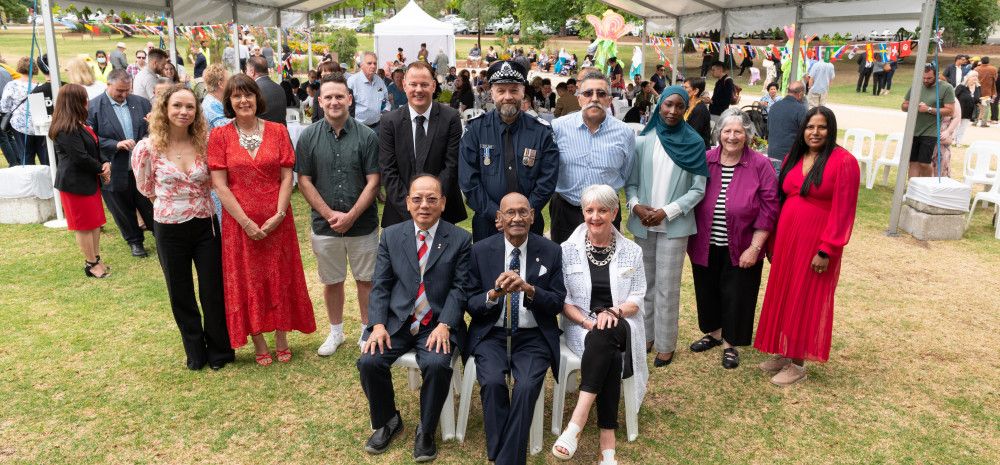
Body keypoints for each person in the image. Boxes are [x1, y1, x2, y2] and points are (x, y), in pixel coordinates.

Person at [357, 175, 472, 462]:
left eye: (432, 199)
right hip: (397, 321)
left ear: (443, 203)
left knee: (436, 363)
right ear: (407, 203)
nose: (424, 205)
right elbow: (381, 285)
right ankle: (388, 420)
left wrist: (445, 324)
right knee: (369, 361)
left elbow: (460, 289)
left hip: (437, 322)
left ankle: (426, 429)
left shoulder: (459, 239)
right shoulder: (392, 236)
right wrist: (379, 325)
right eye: (417, 199)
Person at [207, 74, 316, 365]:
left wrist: (279, 214)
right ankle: (257, 340)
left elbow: (286, 176)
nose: (243, 101)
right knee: (248, 278)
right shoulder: (219, 136)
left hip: (278, 219)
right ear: (228, 102)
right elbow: (219, 185)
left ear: (257, 98)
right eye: (236, 96)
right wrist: (245, 222)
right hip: (239, 222)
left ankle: (281, 337)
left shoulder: (279, 131)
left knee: (278, 274)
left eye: (249, 95)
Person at [754, 106, 860, 386]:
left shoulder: (844, 162)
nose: (815, 132)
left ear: (831, 129)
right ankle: (783, 350)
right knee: (785, 291)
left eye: (822, 127)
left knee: (806, 295)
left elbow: (844, 211)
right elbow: (781, 199)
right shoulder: (794, 156)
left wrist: (827, 249)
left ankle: (798, 363)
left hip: (817, 241)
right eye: (810, 127)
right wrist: (773, 242)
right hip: (788, 237)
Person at [131, 84, 234, 371]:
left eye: (190, 107)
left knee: (212, 289)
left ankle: (219, 350)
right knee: (180, 291)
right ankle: (195, 351)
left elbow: (218, 181)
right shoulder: (148, 148)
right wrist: (171, 204)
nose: (183, 112)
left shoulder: (206, 142)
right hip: (168, 226)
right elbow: (145, 187)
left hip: (205, 224)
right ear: (164, 108)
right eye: (177, 105)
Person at [466, 192, 566, 465]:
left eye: (523, 212)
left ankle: (503, 460)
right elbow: (471, 303)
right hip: (492, 334)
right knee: (493, 383)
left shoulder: (551, 251)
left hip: (533, 335)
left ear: (533, 216)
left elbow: (557, 302)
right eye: (510, 213)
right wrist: (493, 295)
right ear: (499, 219)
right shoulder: (480, 251)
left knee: (526, 388)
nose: (517, 218)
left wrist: (529, 289)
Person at [551, 184, 647, 465]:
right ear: (582, 212)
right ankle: (608, 445)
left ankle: (575, 425)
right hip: (580, 326)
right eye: (589, 210)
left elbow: (637, 296)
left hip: (623, 322)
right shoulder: (567, 249)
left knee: (605, 332)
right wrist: (586, 321)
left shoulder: (632, 250)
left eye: (603, 210)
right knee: (606, 348)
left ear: (614, 213)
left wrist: (613, 312)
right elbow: (564, 301)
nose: (595, 216)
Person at [295, 74, 381, 356]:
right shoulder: (308, 136)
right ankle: (336, 332)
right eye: (328, 97)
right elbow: (304, 180)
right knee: (332, 281)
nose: (334, 101)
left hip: (362, 224)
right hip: (325, 225)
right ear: (319, 101)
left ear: (349, 99)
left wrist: (352, 215)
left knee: (366, 280)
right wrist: (330, 213)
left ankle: (367, 331)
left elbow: (374, 181)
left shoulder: (367, 136)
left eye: (339, 96)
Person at [687, 108, 778, 369]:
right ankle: (715, 333)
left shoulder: (760, 165)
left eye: (739, 131)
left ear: (748, 135)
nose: (732, 136)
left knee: (737, 293)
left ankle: (730, 343)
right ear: (719, 133)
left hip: (743, 245)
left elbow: (769, 207)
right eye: (727, 130)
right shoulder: (705, 159)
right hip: (704, 242)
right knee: (707, 290)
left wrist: (755, 247)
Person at [625, 86, 708, 367]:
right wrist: (636, 205)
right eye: (667, 105)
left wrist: (666, 212)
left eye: (678, 106)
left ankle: (665, 343)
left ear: (685, 109)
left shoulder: (694, 142)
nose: (672, 111)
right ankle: (646, 335)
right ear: (659, 106)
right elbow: (631, 182)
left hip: (674, 224)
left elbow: (698, 190)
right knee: (644, 284)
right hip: (644, 222)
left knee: (667, 287)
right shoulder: (643, 140)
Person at [459, 60, 560, 241]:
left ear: (523, 92)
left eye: (514, 90)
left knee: (529, 269)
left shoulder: (541, 132)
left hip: (529, 223)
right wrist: (496, 214)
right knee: (488, 269)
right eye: (501, 90)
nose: (508, 96)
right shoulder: (475, 130)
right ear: (492, 93)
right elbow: (468, 180)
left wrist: (524, 214)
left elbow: (548, 179)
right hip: (487, 223)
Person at [550, 70, 635, 244]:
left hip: (606, 213)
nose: (594, 98)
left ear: (609, 100)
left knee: (605, 266)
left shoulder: (625, 133)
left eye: (601, 93)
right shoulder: (558, 127)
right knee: (562, 264)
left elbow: (626, 172)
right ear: (579, 98)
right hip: (566, 209)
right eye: (588, 93)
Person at [379, 61, 466, 227]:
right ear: (404, 85)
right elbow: (388, 169)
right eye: (413, 84)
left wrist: (432, 205)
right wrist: (411, 208)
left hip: (442, 212)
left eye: (424, 84)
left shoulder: (451, 118)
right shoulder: (389, 121)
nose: (418, 90)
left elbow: (451, 166)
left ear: (433, 86)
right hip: (400, 213)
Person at [88, 69, 154, 257]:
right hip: (114, 166)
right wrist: (115, 144)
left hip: (142, 166)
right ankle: (135, 241)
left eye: (127, 90)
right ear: (108, 85)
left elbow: (154, 128)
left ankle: (159, 233)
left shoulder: (140, 103)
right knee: (121, 207)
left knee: (148, 203)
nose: (124, 95)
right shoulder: (94, 108)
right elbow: (92, 138)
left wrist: (146, 139)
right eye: (119, 91)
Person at [50, 84, 112, 279]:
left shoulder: (79, 124)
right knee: (84, 225)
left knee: (94, 223)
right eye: (84, 98)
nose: (87, 102)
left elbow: (93, 148)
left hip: (88, 181)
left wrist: (104, 163)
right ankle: (91, 263)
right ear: (75, 102)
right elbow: (80, 157)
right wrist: (101, 169)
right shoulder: (65, 128)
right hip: (75, 184)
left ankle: (96, 257)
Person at [902, 65, 955, 178]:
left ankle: (926, 187)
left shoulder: (946, 88)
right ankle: (911, 190)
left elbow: (950, 111)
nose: (925, 80)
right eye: (924, 78)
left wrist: (929, 109)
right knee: (913, 162)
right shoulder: (916, 86)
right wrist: (913, 106)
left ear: (936, 75)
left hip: (930, 131)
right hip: (913, 129)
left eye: (929, 78)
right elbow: (903, 106)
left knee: (924, 163)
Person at [0, 57, 37, 164]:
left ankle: (14, 163)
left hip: (16, 121)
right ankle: (17, 161)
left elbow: (4, 105)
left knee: (4, 139)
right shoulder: (5, 70)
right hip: (33, 123)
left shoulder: (10, 83)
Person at [766, 81, 808, 170]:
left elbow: (769, 128)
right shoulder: (801, 109)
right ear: (800, 94)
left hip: (772, 154)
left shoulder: (774, 106)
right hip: (789, 158)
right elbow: (805, 134)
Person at [348, 52, 388, 131]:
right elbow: (346, 106)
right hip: (358, 128)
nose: (373, 66)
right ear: (361, 65)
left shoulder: (379, 81)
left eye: (375, 63)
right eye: (369, 63)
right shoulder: (352, 82)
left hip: (378, 126)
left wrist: (385, 111)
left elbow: (386, 100)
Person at [244, 56, 285, 125]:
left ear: (252, 72)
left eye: (246, 71)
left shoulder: (252, 90)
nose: (246, 74)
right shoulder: (280, 88)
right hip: (281, 133)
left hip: (262, 133)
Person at [681, 77, 711, 148]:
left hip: (697, 150)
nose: (682, 90)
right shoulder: (690, 106)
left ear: (696, 91)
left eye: (686, 87)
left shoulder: (699, 110)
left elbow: (692, 135)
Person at [201, 64, 230, 129]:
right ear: (220, 84)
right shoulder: (212, 106)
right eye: (229, 81)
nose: (231, 84)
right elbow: (228, 131)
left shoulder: (214, 100)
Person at [954, 73, 977, 147]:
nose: (975, 78)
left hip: (969, 111)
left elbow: (977, 99)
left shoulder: (977, 88)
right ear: (968, 78)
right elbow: (954, 97)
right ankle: (953, 139)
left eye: (976, 77)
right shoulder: (961, 87)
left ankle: (958, 141)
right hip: (959, 109)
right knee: (956, 126)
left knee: (963, 127)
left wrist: (982, 101)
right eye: (973, 76)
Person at [975, 57, 996, 127]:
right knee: (986, 107)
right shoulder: (993, 69)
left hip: (977, 91)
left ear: (981, 61)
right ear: (988, 61)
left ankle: (975, 122)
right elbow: (995, 79)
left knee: (979, 107)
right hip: (987, 91)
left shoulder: (976, 69)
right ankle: (983, 123)